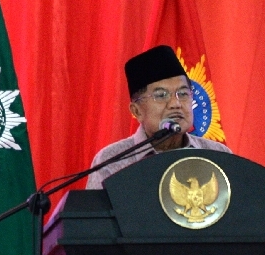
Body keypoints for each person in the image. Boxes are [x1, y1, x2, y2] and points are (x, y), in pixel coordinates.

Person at [86, 45, 231, 189]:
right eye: (161, 95)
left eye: (183, 94)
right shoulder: (111, 161)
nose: (176, 104)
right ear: (137, 111)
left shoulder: (218, 154)